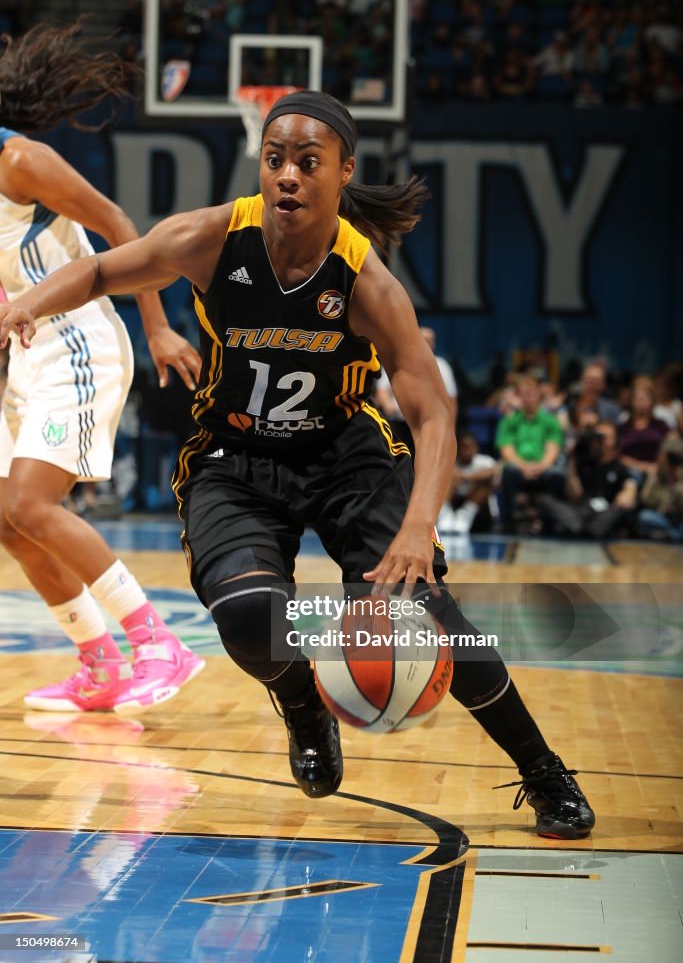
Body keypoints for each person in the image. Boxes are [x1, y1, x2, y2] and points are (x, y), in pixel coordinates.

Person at [0, 89, 594, 839]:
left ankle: (542, 770)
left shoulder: (365, 281)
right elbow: (97, 273)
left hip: (344, 456)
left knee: (425, 619)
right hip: (235, 458)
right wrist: (26, 306)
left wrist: (418, 530)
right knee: (252, 621)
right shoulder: (210, 238)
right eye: (275, 159)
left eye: (307, 162)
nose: (286, 174)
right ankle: (304, 705)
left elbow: (433, 415)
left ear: (343, 172)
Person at [0, 21, 205, 713]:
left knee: (31, 503)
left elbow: (121, 228)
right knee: (7, 519)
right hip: (24, 357)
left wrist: (156, 326)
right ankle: (100, 666)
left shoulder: (20, 160)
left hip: (77, 341)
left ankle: (159, 646)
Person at [537, 421, 638, 539]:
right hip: (580, 509)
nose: (601, 441)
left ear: (614, 440)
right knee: (545, 500)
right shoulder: (584, 463)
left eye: (605, 437)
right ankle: (580, 528)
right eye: (598, 436)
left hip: (604, 511)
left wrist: (628, 492)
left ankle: (587, 530)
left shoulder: (619, 467)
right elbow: (575, 495)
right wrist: (572, 461)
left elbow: (629, 485)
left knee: (620, 508)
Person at [496, 375, 566, 532]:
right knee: (508, 470)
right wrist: (524, 467)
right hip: (519, 468)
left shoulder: (550, 421)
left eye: (531, 394)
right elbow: (507, 450)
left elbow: (553, 449)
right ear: (518, 396)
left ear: (539, 396)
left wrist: (541, 466)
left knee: (558, 473)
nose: (528, 398)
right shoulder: (509, 421)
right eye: (524, 394)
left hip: (543, 467)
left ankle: (550, 522)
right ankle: (509, 521)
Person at [373, 326, 457, 454]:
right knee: (399, 459)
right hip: (398, 422)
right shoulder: (398, 361)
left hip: (429, 424)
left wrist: (451, 427)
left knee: (424, 457)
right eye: (424, 340)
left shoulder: (442, 366)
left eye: (431, 340)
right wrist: (389, 406)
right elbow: (382, 389)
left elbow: (452, 399)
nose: (428, 343)